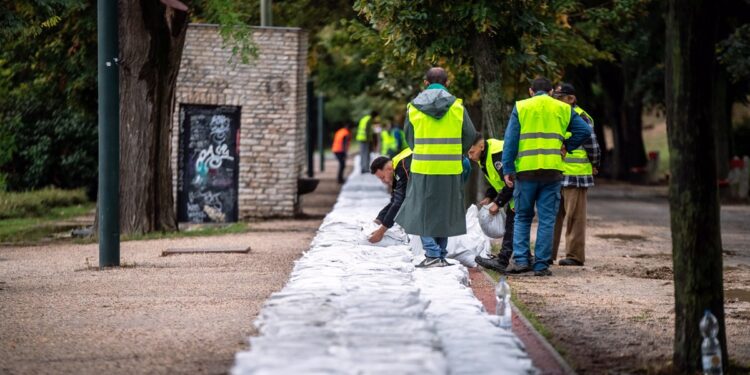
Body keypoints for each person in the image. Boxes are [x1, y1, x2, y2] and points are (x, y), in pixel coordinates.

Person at [501, 77, 591, 276]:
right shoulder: (562, 108)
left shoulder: (521, 107)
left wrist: (508, 168)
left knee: (522, 217)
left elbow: (510, 140)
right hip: (552, 172)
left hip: (525, 172)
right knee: (547, 219)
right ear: (551, 91)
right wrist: (567, 145)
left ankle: (522, 261)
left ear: (531, 91)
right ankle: (541, 265)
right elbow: (585, 130)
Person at [395, 67, 477, 268]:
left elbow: (409, 137)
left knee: (422, 209)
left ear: (425, 83)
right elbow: (470, 134)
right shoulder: (457, 107)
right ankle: (440, 253)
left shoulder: (413, 107)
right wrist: (457, 152)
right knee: (445, 210)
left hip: (423, 166)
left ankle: (431, 253)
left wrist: (422, 150)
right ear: (447, 83)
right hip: (450, 166)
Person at [551, 83, 601, 266]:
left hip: (574, 175)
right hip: (557, 173)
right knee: (555, 216)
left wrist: (594, 163)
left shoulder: (580, 116)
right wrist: (595, 163)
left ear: (571, 99)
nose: (555, 99)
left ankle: (573, 256)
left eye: (559, 96)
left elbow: (592, 145)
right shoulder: (558, 113)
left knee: (572, 218)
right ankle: (551, 254)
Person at [466, 133, 515, 272]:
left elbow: (511, 182)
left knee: (511, 227)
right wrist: (489, 196)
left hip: (520, 192)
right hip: (513, 195)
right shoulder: (484, 157)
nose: (470, 156)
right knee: (515, 226)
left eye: (471, 152)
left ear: (481, 146)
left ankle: (502, 260)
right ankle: (525, 258)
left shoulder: (496, 155)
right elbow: (497, 180)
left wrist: (498, 203)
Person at [368, 148, 413, 243]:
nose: (384, 181)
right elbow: (395, 199)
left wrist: (381, 231)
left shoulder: (402, 167)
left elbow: (399, 202)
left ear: (388, 168)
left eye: (383, 177)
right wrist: (379, 219)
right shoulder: (396, 163)